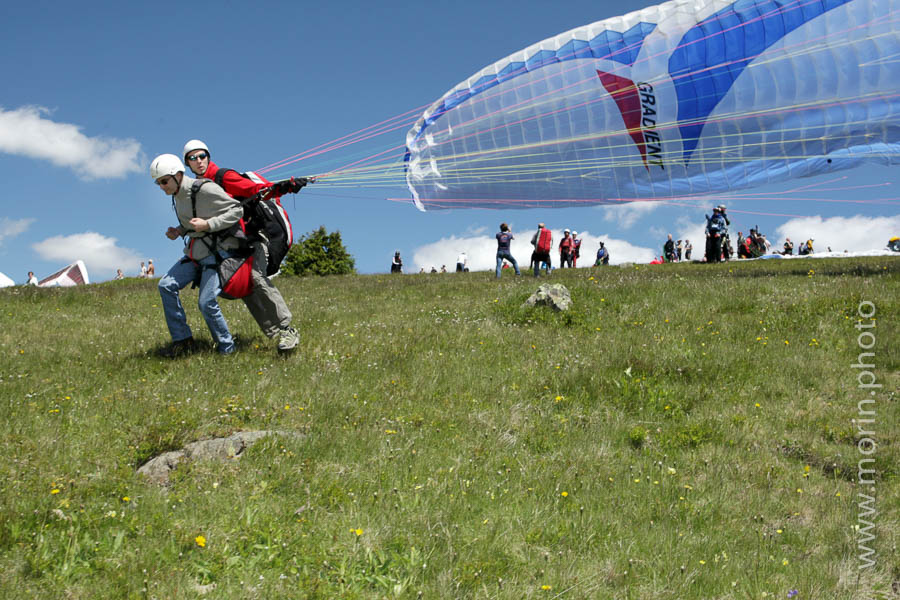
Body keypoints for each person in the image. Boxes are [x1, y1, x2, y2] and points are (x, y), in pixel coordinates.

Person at [182, 140, 300, 353]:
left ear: (208, 156)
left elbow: (255, 189)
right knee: (244, 284)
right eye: (193, 158)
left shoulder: (223, 177)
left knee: (256, 276)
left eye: (202, 156)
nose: (199, 161)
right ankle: (275, 333)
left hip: (258, 237)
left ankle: (287, 330)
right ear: (187, 163)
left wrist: (283, 187)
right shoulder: (196, 189)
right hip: (236, 243)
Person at [151, 154, 241, 357]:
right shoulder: (177, 196)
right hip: (195, 253)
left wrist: (208, 225)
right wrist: (179, 231)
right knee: (165, 285)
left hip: (217, 254)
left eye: (164, 181)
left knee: (205, 302)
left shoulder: (205, 188)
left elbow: (237, 210)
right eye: (158, 183)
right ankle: (183, 341)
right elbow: (191, 222)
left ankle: (227, 349)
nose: (162, 187)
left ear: (177, 175)